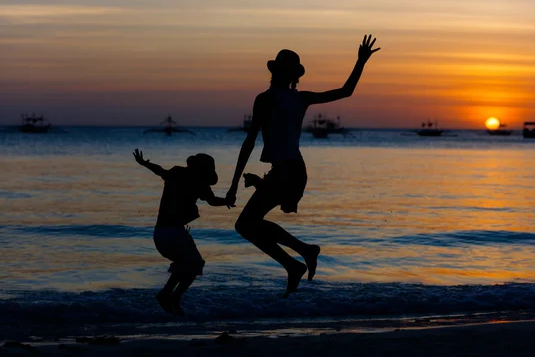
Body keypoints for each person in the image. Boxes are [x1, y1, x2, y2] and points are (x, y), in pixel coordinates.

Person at [226, 34, 380, 297]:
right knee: (250, 223)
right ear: (292, 75)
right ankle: (298, 258)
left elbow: (250, 141)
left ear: (276, 73)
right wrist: (360, 61)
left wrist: (232, 186)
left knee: (245, 224)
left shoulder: (266, 98)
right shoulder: (301, 99)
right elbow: (346, 91)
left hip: (286, 171)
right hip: (294, 171)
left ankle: (301, 256)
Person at [133, 149, 233, 316]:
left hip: (160, 234)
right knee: (194, 265)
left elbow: (160, 171)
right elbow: (213, 201)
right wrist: (227, 201)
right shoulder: (200, 184)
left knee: (186, 265)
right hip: (174, 234)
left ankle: (167, 296)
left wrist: (145, 164)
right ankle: (170, 296)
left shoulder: (177, 173)